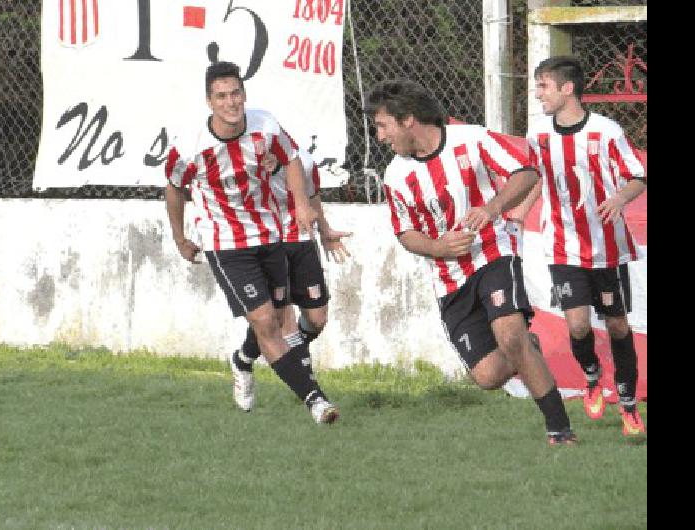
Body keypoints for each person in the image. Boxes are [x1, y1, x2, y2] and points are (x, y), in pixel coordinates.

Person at [365, 78, 577, 445]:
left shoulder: (471, 140)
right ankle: (527, 349)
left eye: (383, 126)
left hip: (495, 251)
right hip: (450, 278)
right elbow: (405, 233)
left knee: (511, 336)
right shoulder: (396, 175)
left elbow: (526, 172)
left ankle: (560, 430)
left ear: (408, 119)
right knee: (488, 376)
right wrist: (439, 247)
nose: (380, 137)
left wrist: (494, 207)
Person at [164, 61, 339, 424]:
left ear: (244, 95)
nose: (231, 102)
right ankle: (316, 402)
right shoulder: (190, 146)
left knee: (274, 318)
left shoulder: (265, 125)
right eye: (221, 96)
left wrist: (304, 206)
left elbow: (291, 158)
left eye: (235, 94)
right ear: (209, 102)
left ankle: (242, 359)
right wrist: (180, 238)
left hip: (269, 233)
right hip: (225, 242)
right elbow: (175, 188)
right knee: (264, 321)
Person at [514, 56, 646, 437]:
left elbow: (638, 175)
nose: (538, 94)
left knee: (619, 326)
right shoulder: (538, 133)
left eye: (543, 86)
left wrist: (621, 198)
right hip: (562, 246)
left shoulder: (606, 132)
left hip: (607, 248)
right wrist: (521, 212)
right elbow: (538, 176)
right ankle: (592, 377)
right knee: (577, 324)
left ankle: (627, 404)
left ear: (567, 89)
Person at [229, 146, 351, 412]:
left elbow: (312, 196)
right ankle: (313, 396)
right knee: (283, 321)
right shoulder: (244, 163)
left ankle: (244, 357)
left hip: (302, 241)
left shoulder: (303, 162)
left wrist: (325, 231)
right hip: (270, 244)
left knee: (316, 319)